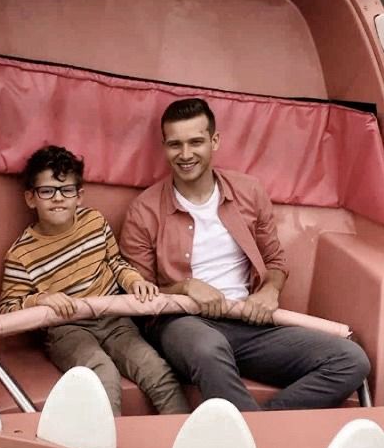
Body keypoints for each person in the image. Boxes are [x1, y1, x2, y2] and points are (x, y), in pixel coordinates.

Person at [120, 98, 370, 411]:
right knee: (209, 348)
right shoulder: (143, 211)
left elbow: (275, 263)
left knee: (351, 360)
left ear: (214, 141)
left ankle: (256, 428)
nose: (185, 155)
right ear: (164, 146)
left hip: (248, 325)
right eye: (175, 145)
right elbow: (138, 296)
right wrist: (185, 287)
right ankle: (258, 441)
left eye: (196, 142)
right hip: (183, 325)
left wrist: (270, 290)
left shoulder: (249, 192)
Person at [0, 145, 190, 416]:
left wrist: (134, 280)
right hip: (67, 329)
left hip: (113, 318)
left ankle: (182, 437)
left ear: (79, 196)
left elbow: (115, 263)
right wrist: (41, 300)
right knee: (103, 374)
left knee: (156, 369)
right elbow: (8, 310)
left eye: (66, 190)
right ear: (31, 198)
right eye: (47, 191)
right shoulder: (21, 254)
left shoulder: (94, 221)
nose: (58, 198)